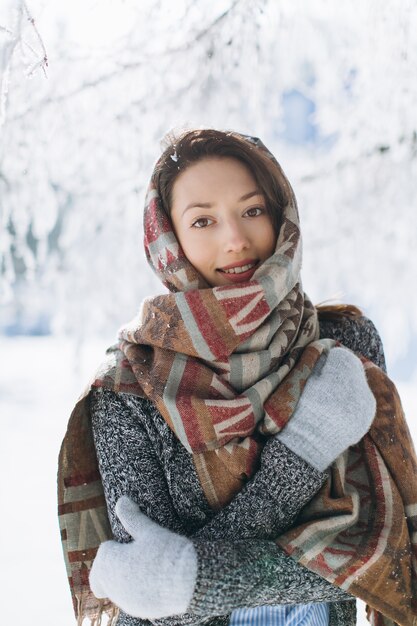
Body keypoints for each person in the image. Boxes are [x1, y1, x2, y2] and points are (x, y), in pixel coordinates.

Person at [58, 129, 417, 626]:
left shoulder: (343, 347)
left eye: (252, 210)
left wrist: (195, 578)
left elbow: (388, 555)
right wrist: (305, 449)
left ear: (280, 214)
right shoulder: (129, 385)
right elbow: (151, 601)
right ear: (169, 240)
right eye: (202, 220)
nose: (234, 240)